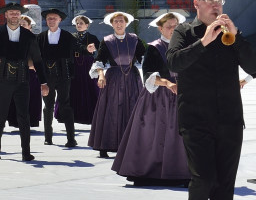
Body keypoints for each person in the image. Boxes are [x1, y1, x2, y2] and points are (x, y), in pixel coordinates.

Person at [168, 0, 256, 200]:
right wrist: (204, 41)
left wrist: (237, 37)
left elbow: (255, 67)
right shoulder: (184, 32)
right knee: (205, 178)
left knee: (224, 186)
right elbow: (174, 63)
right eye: (209, 0)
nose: (216, 5)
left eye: (219, 0)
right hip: (195, 119)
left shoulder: (230, 35)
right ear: (196, 4)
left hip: (230, 119)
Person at [113, 12, 190, 186]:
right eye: (169, 26)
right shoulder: (154, 48)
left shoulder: (186, 47)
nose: (173, 29)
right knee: (153, 134)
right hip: (158, 98)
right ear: (160, 28)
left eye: (176, 26)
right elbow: (148, 74)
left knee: (181, 135)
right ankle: (149, 172)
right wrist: (167, 83)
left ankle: (180, 172)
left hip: (182, 95)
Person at [0, 2, 47, 161]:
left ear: (20, 15)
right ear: (6, 15)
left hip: (22, 80)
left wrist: (43, 82)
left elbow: (37, 60)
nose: (14, 15)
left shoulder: (29, 36)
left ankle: (26, 153)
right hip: (2, 78)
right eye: (11, 12)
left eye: (17, 13)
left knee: (23, 116)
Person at [89, 11, 146, 160]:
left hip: (132, 78)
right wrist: (101, 75)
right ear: (112, 24)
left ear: (126, 23)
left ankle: (132, 145)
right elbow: (99, 60)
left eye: (121, 21)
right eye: (116, 21)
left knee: (132, 109)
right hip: (113, 78)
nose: (119, 24)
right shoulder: (107, 41)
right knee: (111, 110)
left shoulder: (134, 39)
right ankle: (105, 145)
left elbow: (144, 57)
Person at [36, 8, 78, 147]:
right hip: (47, 76)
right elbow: (35, 57)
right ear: (46, 20)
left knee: (65, 105)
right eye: (49, 18)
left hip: (63, 75)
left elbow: (79, 48)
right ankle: (48, 137)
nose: (51, 20)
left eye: (54, 18)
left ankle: (71, 138)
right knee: (48, 106)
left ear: (60, 20)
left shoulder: (68, 36)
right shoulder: (40, 37)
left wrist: (88, 49)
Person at [70, 14, 101, 124]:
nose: (78, 25)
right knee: (73, 87)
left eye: (81, 23)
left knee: (90, 86)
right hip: (74, 63)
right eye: (77, 23)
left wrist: (94, 48)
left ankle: (90, 114)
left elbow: (100, 48)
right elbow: (70, 48)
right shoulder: (71, 36)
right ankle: (72, 115)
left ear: (87, 25)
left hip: (87, 63)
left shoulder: (92, 37)